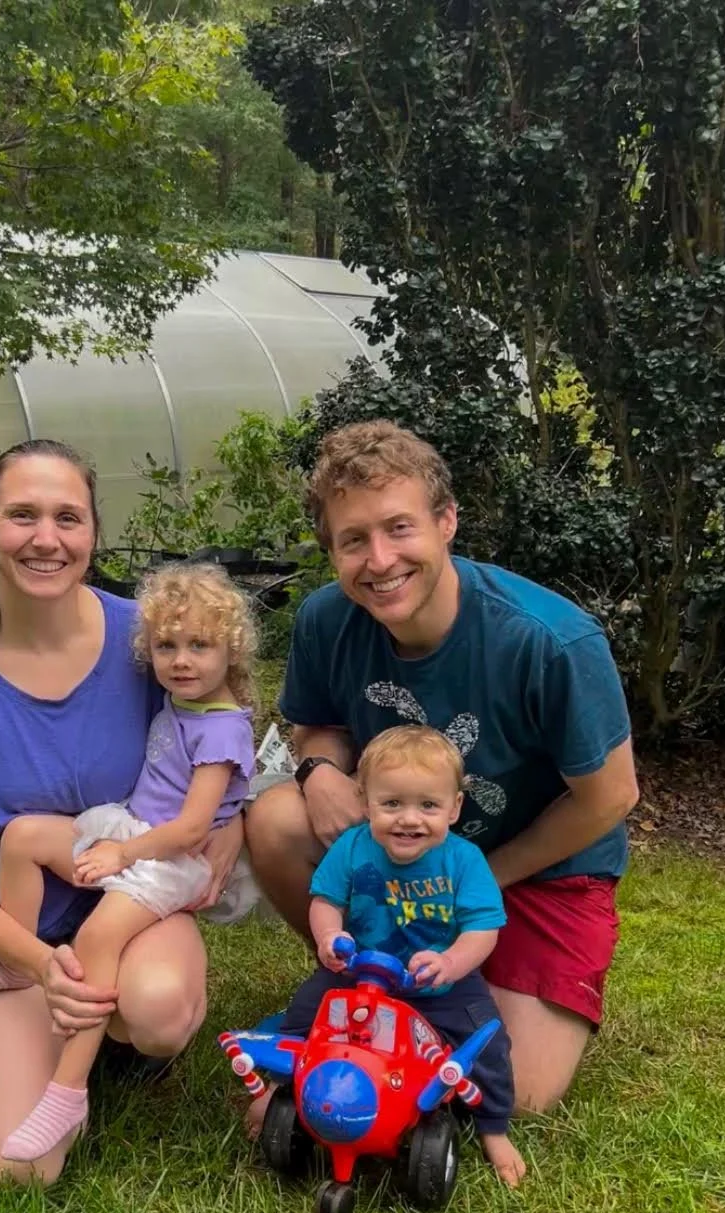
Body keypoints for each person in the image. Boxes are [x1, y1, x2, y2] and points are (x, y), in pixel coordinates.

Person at [246, 421, 639, 1114]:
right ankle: (355, 979)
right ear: (330, 551)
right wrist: (319, 771)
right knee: (277, 816)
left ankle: (414, 994)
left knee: (512, 1093)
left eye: (398, 528)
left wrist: (480, 876)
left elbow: (609, 796)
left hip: (538, 869)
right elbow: (318, 724)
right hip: (403, 851)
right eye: (352, 540)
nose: (379, 559)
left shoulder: (549, 641)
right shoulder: (324, 620)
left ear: (446, 520)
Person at [0, 440, 243, 1186]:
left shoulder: (149, 641)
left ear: (91, 533)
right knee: (25, 1170)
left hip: (129, 904)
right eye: (22, 515)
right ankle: (30, 1013)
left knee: (156, 1010)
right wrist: (34, 962)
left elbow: (221, 737)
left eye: (67, 517)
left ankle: (119, 1030)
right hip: (11, 943)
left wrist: (230, 828)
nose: (45, 538)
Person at [0, 563, 258, 1162]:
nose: (181, 660)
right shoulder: (182, 703)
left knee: (98, 935)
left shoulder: (221, 730)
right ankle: (15, 962)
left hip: (171, 857)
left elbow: (193, 826)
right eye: (167, 646)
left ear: (231, 651)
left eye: (199, 645)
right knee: (24, 839)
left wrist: (122, 852)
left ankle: (68, 1087)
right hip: (135, 830)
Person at [255, 725, 525, 1185]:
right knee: (305, 1012)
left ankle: (492, 1125)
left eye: (428, 805)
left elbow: (483, 928)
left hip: (439, 985)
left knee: (487, 1040)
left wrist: (451, 963)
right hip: (359, 974)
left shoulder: (464, 861)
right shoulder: (353, 848)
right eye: (392, 803)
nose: (409, 819)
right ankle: (283, 1086)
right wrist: (329, 938)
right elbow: (325, 901)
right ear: (365, 802)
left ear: (454, 808)